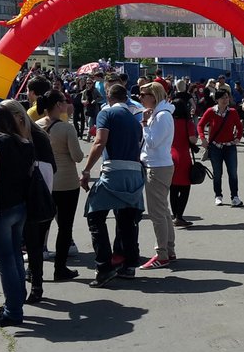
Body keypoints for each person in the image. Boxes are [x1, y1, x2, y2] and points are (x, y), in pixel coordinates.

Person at [80, 84, 145, 287]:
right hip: (134, 173)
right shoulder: (135, 120)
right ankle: (129, 264)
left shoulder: (106, 114)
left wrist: (86, 169)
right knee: (127, 219)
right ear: (126, 98)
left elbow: (100, 142)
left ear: (108, 97)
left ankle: (104, 267)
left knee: (95, 215)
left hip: (114, 171)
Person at [0, 105, 36, 326]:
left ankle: (13, 311)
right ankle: (16, 301)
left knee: (6, 262)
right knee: (14, 257)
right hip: (19, 206)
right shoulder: (24, 142)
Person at [0, 99, 55, 303]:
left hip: (32, 198)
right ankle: (29, 283)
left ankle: (34, 286)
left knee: (30, 244)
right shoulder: (29, 135)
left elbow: (47, 168)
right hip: (30, 197)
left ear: (16, 116)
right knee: (29, 244)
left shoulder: (31, 137)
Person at [35, 90, 84, 282]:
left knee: (41, 227)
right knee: (65, 226)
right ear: (57, 105)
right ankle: (60, 268)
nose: (66, 104)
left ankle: (35, 269)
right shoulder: (66, 128)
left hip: (44, 182)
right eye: (64, 101)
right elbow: (78, 156)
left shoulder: (36, 127)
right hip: (66, 182)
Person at [139, 82, 177, 269]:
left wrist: (145, 124)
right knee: (163, 211)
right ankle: (168, 250)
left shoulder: (161, 116)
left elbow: (153, 142)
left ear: (153, 96)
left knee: (157, 213)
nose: (140, 97)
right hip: (159, 164)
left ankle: (162, 253)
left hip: (157, 166)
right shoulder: (162, 113)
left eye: (143, 94)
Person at [198, 90, 244, 206]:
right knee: (217, 173)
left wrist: (238, 137)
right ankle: (218, 195)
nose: (225, 100)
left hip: (230, 147)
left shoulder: (232, 112)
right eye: (223, 98)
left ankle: (235, 196)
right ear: (217, 100)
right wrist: (202, 138)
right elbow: (200, 125)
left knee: (232, 173)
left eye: (227, 97)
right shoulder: (211, 111)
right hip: (215, 147)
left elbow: (239, 126)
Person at [170, 90, 199, 227]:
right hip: (183, 156)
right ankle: (179, 216)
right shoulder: (187, 123)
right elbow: (192, 139)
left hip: (170, 156)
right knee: (185, 187)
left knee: (173, 187)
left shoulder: (168, 121)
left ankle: (174, 214)